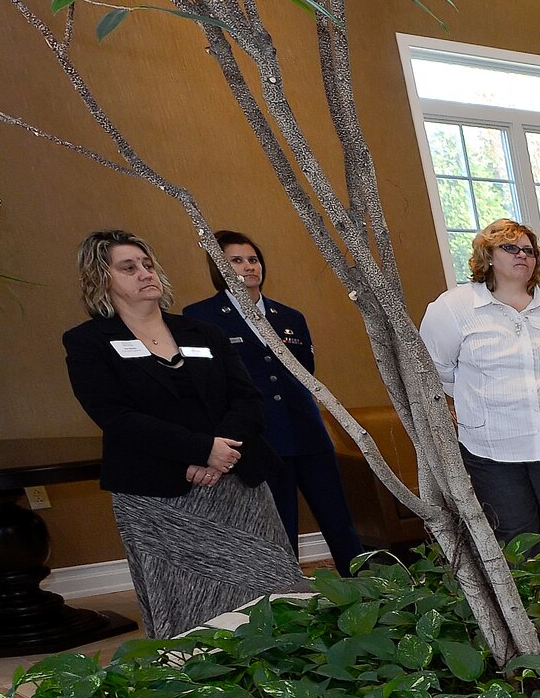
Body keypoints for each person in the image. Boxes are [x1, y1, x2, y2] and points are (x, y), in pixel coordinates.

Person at [62, 229, 310, 638]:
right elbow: (116, 417)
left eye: (147, 264)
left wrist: (220, 452)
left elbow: (247, 400)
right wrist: (198, 451)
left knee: (271, 586)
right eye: (128, 267)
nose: (145, 273)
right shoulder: (88, 342)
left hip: (237, 482)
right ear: (100, 279)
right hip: (158, 494)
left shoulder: (203, 332)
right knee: (187, 599)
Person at [183, 231, 364, 574]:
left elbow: (305, 371)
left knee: (338, 518)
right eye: (236, 260)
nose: (249, 267)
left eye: (253, 259)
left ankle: (365, 586)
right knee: (279, 526)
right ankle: (287, 598)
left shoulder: (289, 316)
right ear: (219, 266)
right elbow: (208, 382)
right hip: (259, 438)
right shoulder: (201, 316)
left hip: (306, 430)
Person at [419, 219, 540, 556]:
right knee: (516, 538)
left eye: (528, 250)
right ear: (487, 256)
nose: (522, 255)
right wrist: (478, 400)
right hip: (492, 447)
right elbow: (436, 368)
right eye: (510, 247)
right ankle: (524, 608)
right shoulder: (454, 308)